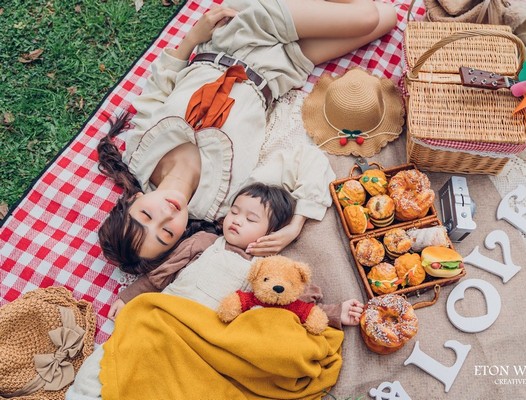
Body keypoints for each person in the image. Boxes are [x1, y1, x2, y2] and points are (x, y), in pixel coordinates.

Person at [96, 0, 398, 275]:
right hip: (281, 68)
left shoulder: (139, 156)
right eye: (166, 233)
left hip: (236, 36)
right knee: (387, 17)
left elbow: (158, 87)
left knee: (368, 15)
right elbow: (300, 164)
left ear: (134, 199)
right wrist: (295, 225)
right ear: (178, 239)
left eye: (147, 214)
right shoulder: (223, 204)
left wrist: (193, 37)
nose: (165, 214)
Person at [66, 183, 364, 399]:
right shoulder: (206, 242)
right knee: (127, 346)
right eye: (235, 211)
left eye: (250, 219)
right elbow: (165, 271)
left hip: (203, 334)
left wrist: (335, 313)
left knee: (181, 377)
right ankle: (86, 393)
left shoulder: (264, 268)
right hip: (169, 313)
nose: (237, 220)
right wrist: (130, 296)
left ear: (270, 234)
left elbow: (291, 304)